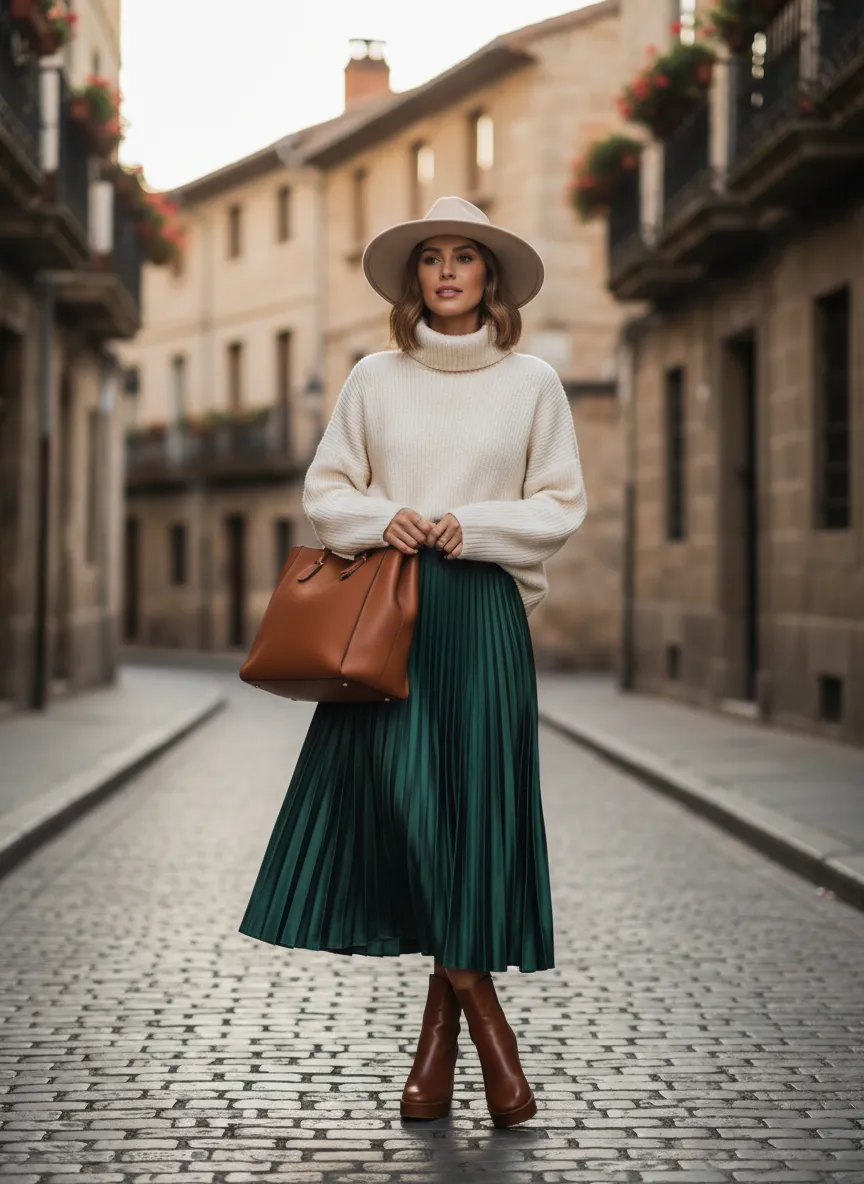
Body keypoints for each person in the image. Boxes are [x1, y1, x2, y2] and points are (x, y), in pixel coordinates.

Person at [239, 196, 587, 1129]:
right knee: (411, 810)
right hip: (385, 618)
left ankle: (437, 1050)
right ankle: (488, 1031)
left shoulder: (534, 384)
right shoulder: (372, 379)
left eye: (464, 257)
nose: (445, 271)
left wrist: (468, 525)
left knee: (469, 816)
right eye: (430, 257)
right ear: (411, 280)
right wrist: (380, 516)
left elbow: (560, 503)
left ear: (489, 278)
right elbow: (328, 488)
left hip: (480, 619)